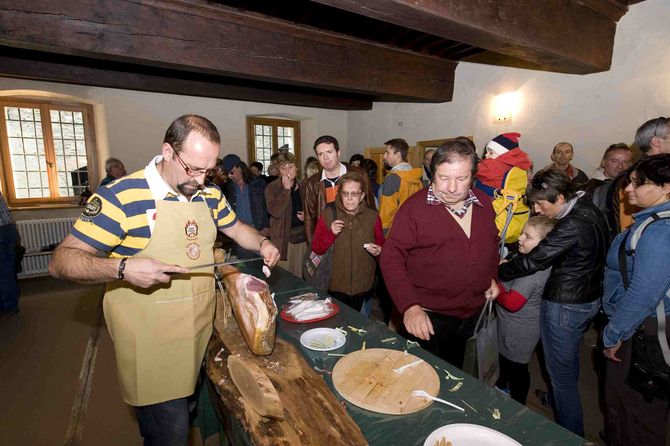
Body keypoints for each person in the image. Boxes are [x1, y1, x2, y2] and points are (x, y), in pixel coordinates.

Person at [48, 115, 280, 445]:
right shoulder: (122, 196)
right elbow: (61, 261)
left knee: (190, 410)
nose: (202, 180)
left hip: (197, 333)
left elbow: (237, 228)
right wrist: (123, 269)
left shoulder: (209, 194)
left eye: (209, 170)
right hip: (151, 345)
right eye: (193, 169)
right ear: (168, 151)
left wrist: (262, 242)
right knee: (169, 434)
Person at [499, 167, 608, 437]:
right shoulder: (587, 205)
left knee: (560, 378)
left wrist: (498, 271)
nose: (536, 209)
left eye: (540, 203)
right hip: (588, 296)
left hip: (566, 303)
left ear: (560, 198)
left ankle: (569, 434)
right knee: (565, 369)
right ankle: (558, 402)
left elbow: (534, 260)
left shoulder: (571, 224)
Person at [380, 137, 500, 368]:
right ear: (432, 172)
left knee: (459, 372)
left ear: (472, 177)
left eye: (461, 178)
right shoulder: (413, 209)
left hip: (474, 312)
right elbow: (391, 258)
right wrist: (410, 306)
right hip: (429, 317)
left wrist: (492, 276)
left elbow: (491, 245)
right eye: (444, 178)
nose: (452, 188)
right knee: (425, 376)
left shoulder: (484, 203)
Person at [602, 155, 670, 445]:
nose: (628, 189)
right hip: (640, 326)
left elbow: (644, 292)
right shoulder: (652, 222)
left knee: (637, 413)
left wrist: (614, 333)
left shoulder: (659, 232)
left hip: (643, 331)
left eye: (637, 183)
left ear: (666, 187)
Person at [495, 215, 555, 404]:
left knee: (516, 369)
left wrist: (495, 286)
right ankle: (502, 387)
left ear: (543, 245)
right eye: (522, 233)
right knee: (505, 363)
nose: (520, 238)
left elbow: (513, 302)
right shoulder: (528, 260)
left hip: (519, 332)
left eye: (527, 237)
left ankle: (518, 404)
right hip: (510, 326)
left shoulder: (532, 272)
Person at [311, 171, 384, 311]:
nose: (349, 198)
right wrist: (331, 233)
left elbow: (382, 247)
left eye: (354, 194)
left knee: (355, 321)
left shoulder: (373, 217)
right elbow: (317, 248)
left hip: (362, 284)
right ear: (340, 195)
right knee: (337, 322)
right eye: (345, 194)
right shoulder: (328, 215)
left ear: (362, 195)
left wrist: (379, 251)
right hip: (334, 283)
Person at [303, 135, 374, 245]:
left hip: (357, 237)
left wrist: (371, 239)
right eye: (321, 154)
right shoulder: (313, 183)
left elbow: (370, 206)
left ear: (338, 153)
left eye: (329, 152)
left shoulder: (359, 174)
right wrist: (313, 246)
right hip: (327, 240)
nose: (325, 158)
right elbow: (309, 218)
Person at [474, 132, 532, 245]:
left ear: (503, 154)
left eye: (491, 152)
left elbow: (475, 169)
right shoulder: (517, 166)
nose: (486, 156)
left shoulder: (497, 165)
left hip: (495, 205)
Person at [265, 152, 306, 277]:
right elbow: (276, 212)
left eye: (290, 167)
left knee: (300, 277)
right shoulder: (272, 188)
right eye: (283, 168)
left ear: (296, 168)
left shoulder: (303, 186)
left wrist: (307, 217)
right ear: (278, 171)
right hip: (283, 240)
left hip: (301, 239)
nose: (287, 171)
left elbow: (313, 211)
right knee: (283, 278)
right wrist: (286, 190)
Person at [222, 155, 270, 258]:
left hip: (258, 230)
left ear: (240, 167)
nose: (230, 176)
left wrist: (266, 226)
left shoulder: (258, 183)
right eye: (227, 174)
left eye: (232, 172)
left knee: (260, 264)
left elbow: (267, 206)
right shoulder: (229, 187)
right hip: (239, 233)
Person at [379, 138, 424, 235]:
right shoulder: (416, 176)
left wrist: (383, 235)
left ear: (398, 155)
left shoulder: (392, 178)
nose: (384, 156)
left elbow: (386, 212)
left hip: (395, 232)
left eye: (387, 153)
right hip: (413, 230)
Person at [580, 143, 632, 212]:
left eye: (625, 162)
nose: (620, 166)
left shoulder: (633, 186)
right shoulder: (589, 189)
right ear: (603, 162)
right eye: (614, 161)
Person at [0, 191, 20, 315]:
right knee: (8, 270)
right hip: (9, 229)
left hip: (2, 232)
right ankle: (11, 303)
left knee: (3, 272)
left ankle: (8, 305)